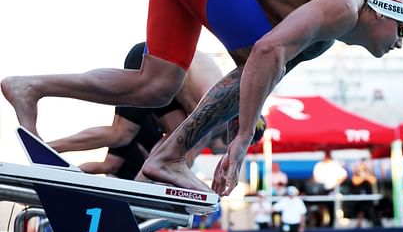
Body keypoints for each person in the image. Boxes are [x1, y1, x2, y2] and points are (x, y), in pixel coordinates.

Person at [1, 0, 403, 196]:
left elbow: (265, 69)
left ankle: (30, 87)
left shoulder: (322, 33)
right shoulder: (341, 6)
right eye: (400, 30)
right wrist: (242, 140)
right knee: (260, 58)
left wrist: (242, 126)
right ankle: (169, 157)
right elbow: (264, 54)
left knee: (156, 86)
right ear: (378, 13)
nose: (399, 43)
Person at [47, 42, 266, 178]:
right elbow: (183, 156)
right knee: (121, 134)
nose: (228, 149)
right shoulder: (219, 113)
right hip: (157, 62)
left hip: (171, 81)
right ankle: (50, 148)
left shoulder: (228, 108)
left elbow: (176, 150)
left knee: (169, 137)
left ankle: (65, 169)